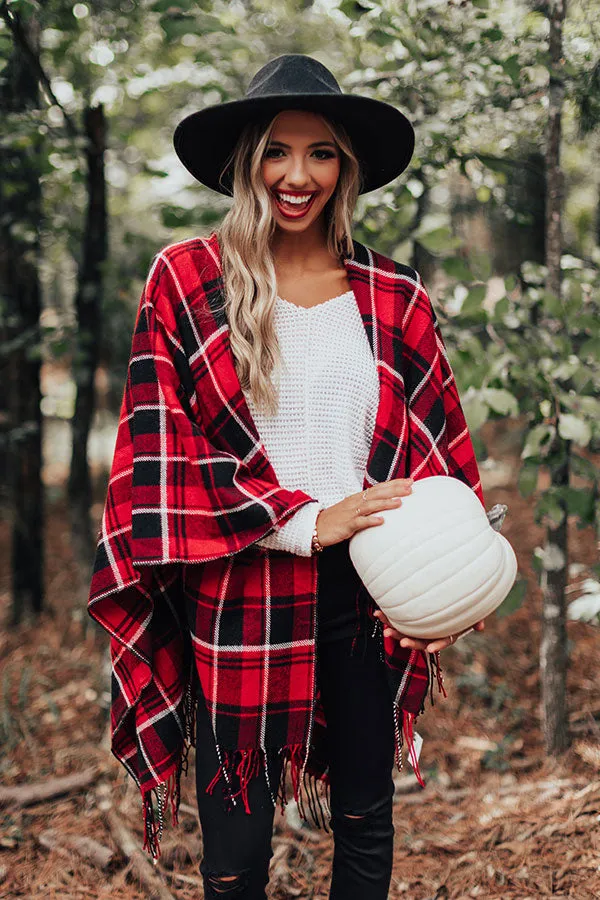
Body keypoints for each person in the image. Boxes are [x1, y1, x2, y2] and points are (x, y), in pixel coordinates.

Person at [88, 54, 485, 899]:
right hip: (235, 584)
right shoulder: (187, 280)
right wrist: (308, 518)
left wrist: (447, 593)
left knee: (366, 819)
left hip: (368, 585)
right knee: (235, 845)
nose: (296, 176)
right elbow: (163, 457)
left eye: (321, 154)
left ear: (346, 167)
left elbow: (438, 457)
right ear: (246, 163)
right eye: (276, 151)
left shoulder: (393, 294)